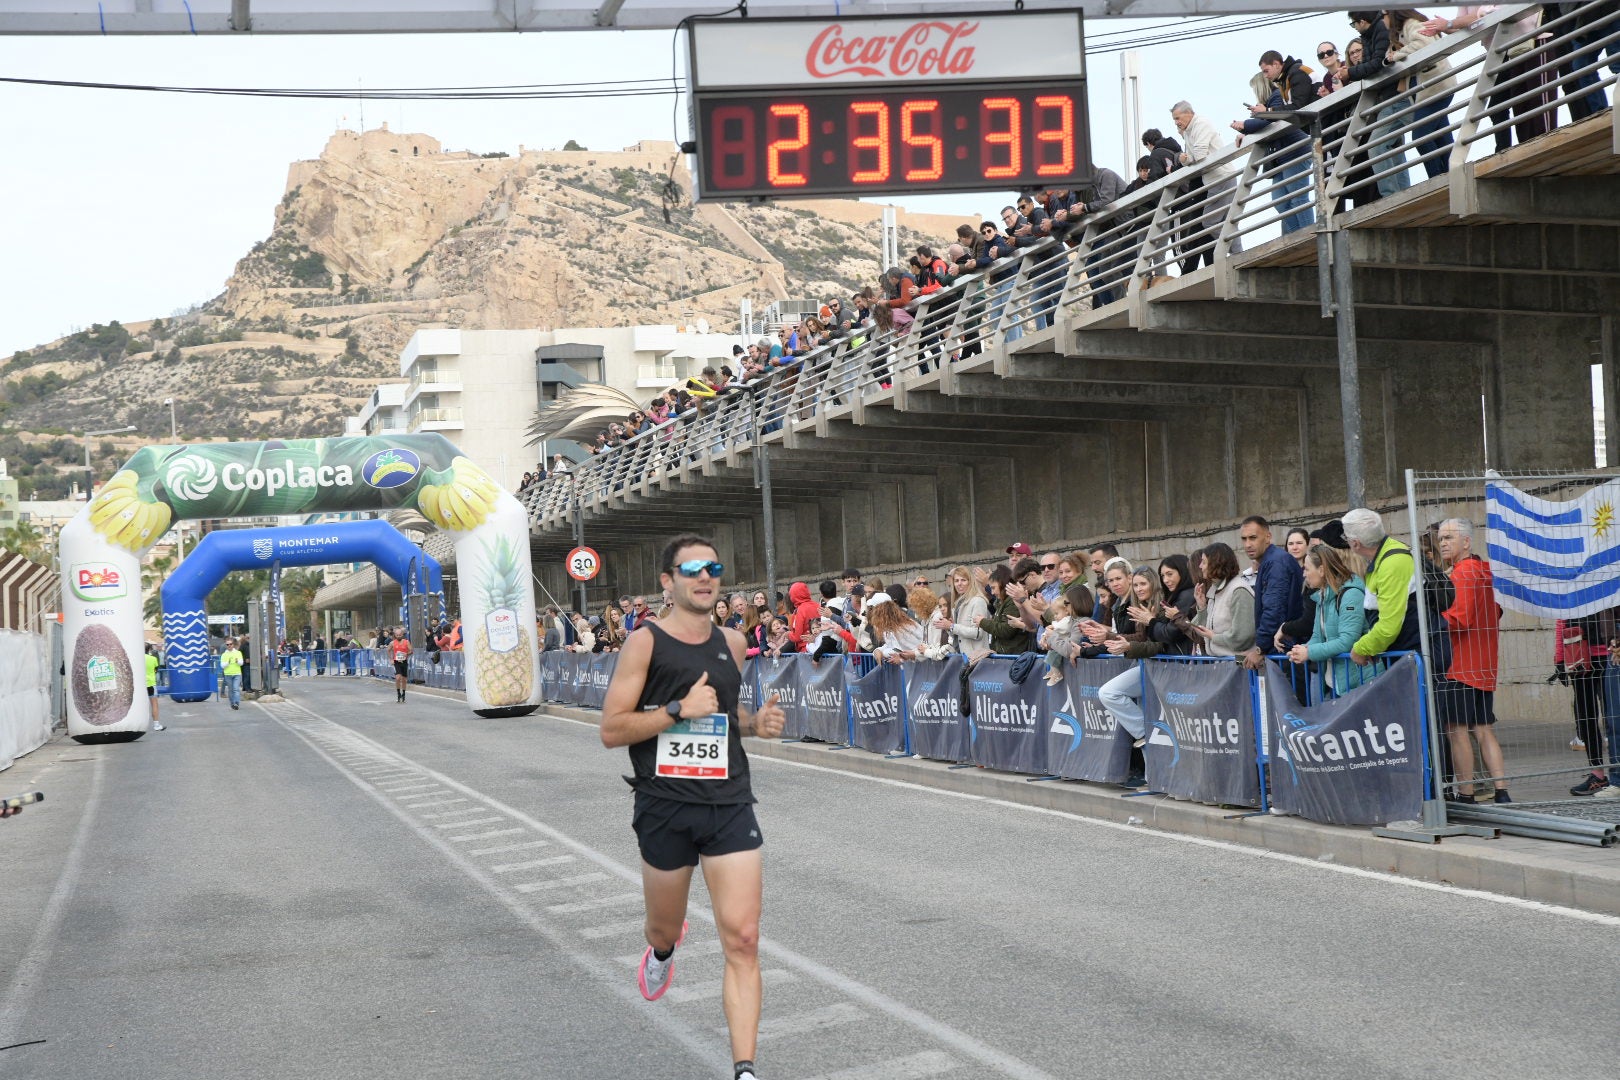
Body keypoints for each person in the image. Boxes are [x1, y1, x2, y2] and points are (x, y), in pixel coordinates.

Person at [599, 536, 786, 1080]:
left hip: (728, 802)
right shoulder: (645, 642)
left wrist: (756, 724)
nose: (705, 578)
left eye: (714, 568)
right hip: (664, 807)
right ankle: (662, 952)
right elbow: (612, 730)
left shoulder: (732, 641)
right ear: (668, 581)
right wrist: (676, 710)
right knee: (663, 927)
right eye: (692, 570)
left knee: (744, 938)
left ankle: (745, 1070)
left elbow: (728, 715)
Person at [1435, 518, 1510, 803]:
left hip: (1459, 665)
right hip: (1483, 663)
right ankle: (1501, 790)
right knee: (1483, 729)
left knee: (1457, 731)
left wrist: (1430, 620)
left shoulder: (1462, 573)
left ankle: (1466, 793)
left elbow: (1460, 619)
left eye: (1449, 538)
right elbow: (1497, 611)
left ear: (1466, 542)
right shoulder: (1484, 571)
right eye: (1441, 538)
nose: (1442, 543)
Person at [1286, 544, 1370, 700]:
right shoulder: (1322, 596)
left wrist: (1309, 652)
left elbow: (1347, 641)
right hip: (1334, 682)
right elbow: (1318, 636)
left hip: (1358, 683)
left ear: (1322, 570)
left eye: (1307, 569)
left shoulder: (1351, 594)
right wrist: (1303, 648)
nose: (1304, 574)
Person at [1341, 507, 1421, 669]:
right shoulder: (1388, 555)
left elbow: (1388, 627)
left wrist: (1360, 649)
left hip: (1415, 655)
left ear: (1355, 543)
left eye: (1345, 537)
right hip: (1408, 652)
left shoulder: (1391, 563)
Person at [1240, 516, 1305, 671]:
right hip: (1285, 647)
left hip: (1286, 649)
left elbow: (1274, 609)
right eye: (1244, 539)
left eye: (1253, 538)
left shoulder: (1276, 563)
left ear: (1268, 537)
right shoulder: (1272, 561)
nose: (1248, 544)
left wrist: (1260, 648)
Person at [1182, 543, 1256, 657]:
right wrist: (1202, 607)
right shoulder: (1215, 590)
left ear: (1216, 564)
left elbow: (1242, 637)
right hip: (1222, 664)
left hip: (1239, 665)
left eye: (1204, 562)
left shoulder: (1238, 590)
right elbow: (1204, 631)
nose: (1200, 566)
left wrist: (1213, 637)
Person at [936, 564, 991, 655]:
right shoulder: (957, 604)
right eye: (956, 581)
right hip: (963, 657)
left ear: (970, 582)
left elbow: (977, 633)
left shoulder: (977, 601)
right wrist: (949, 627)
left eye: (963, 580)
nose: (959, 584)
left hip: (976, 657)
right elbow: (959, 636)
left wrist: (952, 626)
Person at [219, 636, 244, 711]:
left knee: (236, 689)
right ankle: (232, 703)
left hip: (237, 673)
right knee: (230, 689)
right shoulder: (224, 655)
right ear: (226, 645)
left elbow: (241, 663)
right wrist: (227, 663)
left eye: (230, 644)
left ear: (233, 644)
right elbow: (222, 665)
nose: (229, 646)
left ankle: (236, 703)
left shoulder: (238, 653)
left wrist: (237, 661)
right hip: (228, 674)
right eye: (227, 644)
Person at [389, 627, 412, 703]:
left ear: (402, 634)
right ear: (395, 635)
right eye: (397, 635)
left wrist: (406, 653)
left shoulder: (406, 642)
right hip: (397, 662)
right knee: (398, 678)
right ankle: (398, 693)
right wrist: (391, 659)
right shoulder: (392, 643)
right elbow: (388, 650)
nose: (398, 636)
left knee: (404, 679)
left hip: (404, 662)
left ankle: (404, 694)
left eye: (400, 635)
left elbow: (411, 651)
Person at [145, 644, 165, 730]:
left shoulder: (136, 658)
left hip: (139, 685)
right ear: (149, 650)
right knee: (154, 704)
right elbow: (156, 670)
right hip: (150, 683)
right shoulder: (153, 658)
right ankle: (156, 725)